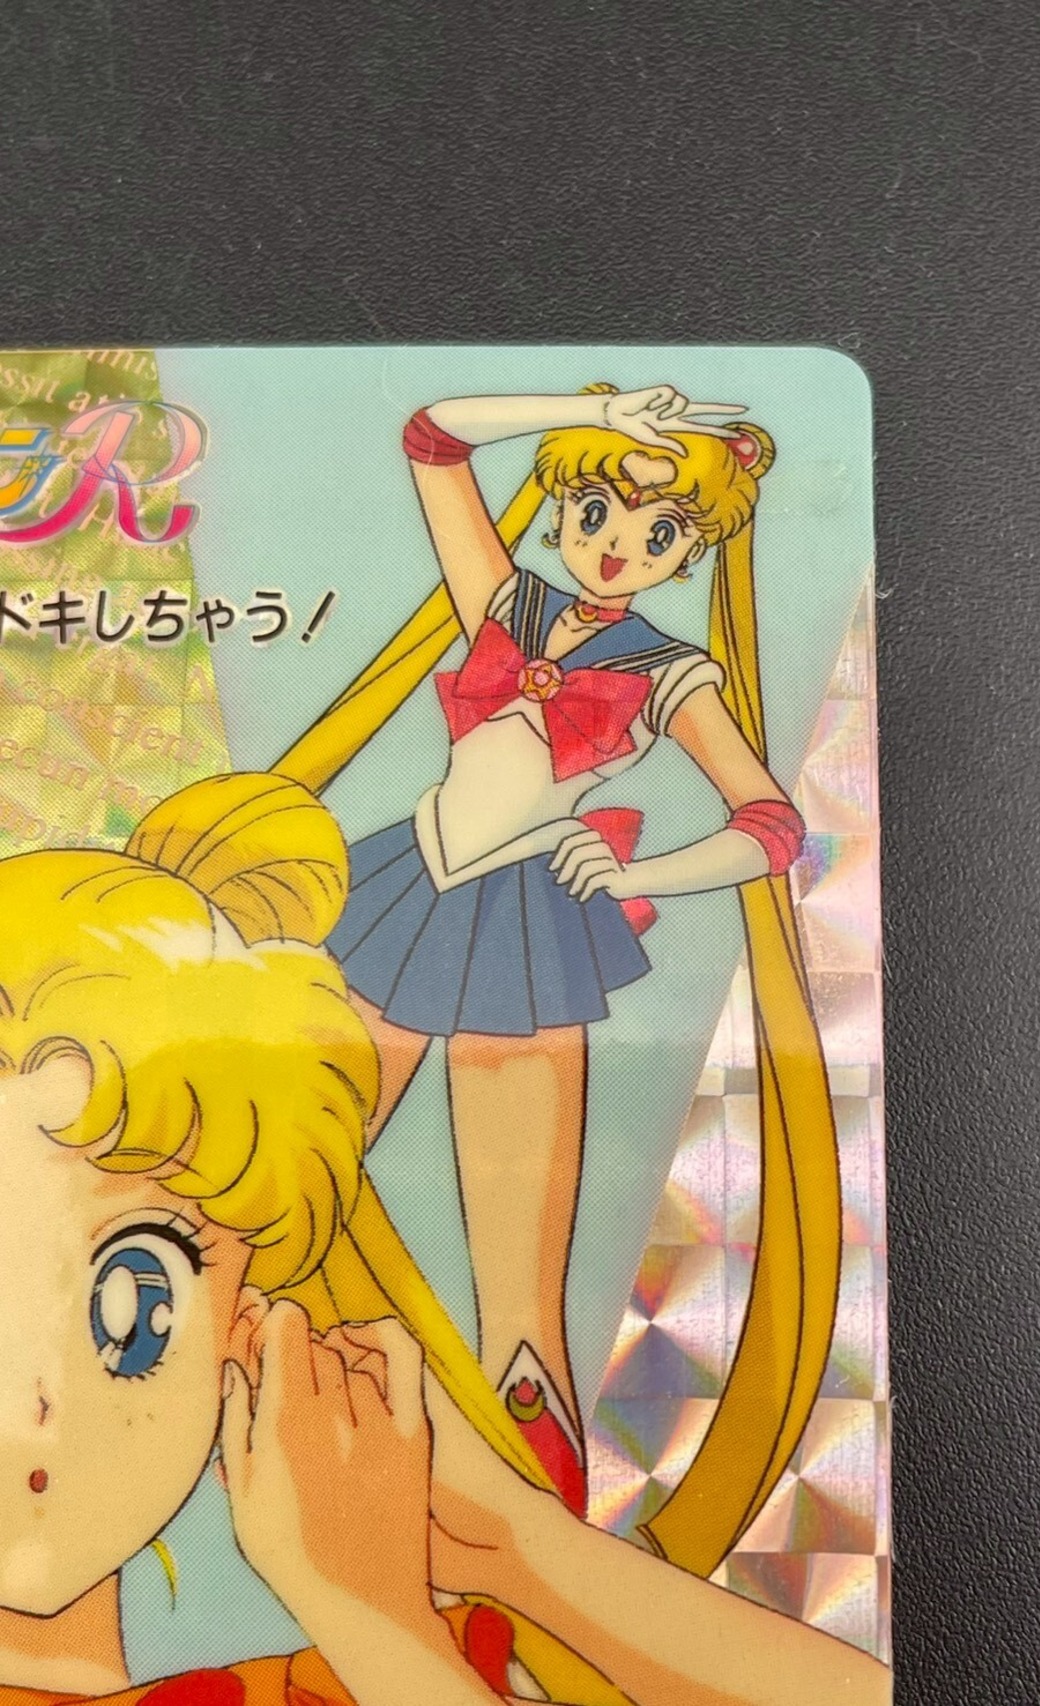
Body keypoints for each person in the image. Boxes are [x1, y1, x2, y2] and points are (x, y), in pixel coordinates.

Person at [0, 774, 891, 1706]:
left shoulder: (354, 1669)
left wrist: (515, 1545)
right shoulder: (383, 1652)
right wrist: (377, 1621)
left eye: (135, 1308)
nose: (35, 1408)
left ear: (241, 1332)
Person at [323, 384, 810, 1511]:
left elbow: (771, 827)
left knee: (521, 1306)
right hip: (407, 887)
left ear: (690, 548)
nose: (617, 545)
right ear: (558, 511)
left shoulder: (671, 672)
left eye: (658, 530)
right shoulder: (504, 600)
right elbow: (433, 439)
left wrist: (639, 874)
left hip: (528, 932)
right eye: (595, 511)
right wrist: (593, 407)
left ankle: (532, 1556)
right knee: (286, 1180)